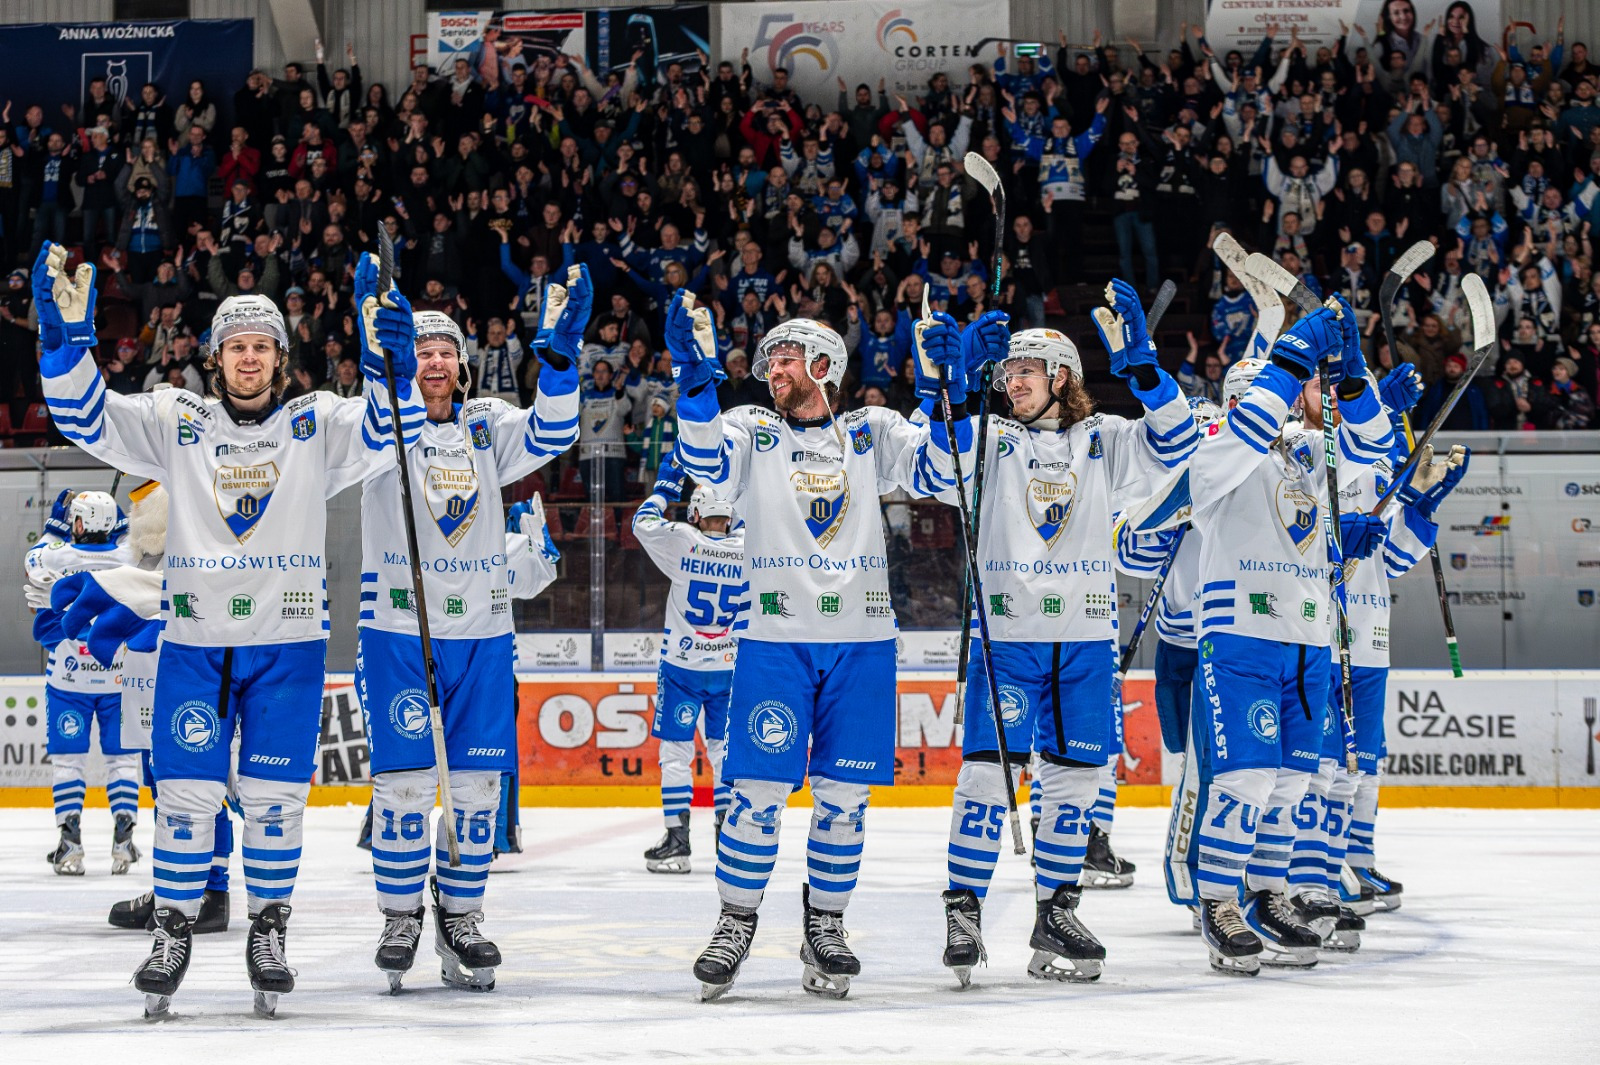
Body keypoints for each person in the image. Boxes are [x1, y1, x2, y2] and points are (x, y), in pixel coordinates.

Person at [34, 240, 420, 1018]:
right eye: (236, 347)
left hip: (289, 643)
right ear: (215, 359)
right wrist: (65, 345)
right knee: (184, 796)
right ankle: (173, 929)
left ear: (282, 358)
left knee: (275, 798)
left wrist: (393, 367)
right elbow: (85, 416)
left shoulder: (317, 423)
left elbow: (393, 433)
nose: (249, 359)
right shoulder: (178, 418)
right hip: (196, 643)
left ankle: (268, 929)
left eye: (262, 347)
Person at [670, 291, 971, 1000]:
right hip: (776, 639)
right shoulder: (751, 428)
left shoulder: (869, 429)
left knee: (844, 799)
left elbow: (940, 474)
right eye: (769, 355)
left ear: (825, 364)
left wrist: (943, 390)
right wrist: (694, 383)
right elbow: (705, 461)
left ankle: (826, 924)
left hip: (864, 642)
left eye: (786, 354)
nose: (772, 364)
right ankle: (735, 920)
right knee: (755, 794)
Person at [937, 286, 1200, 987]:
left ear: (1061, 377)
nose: (1011, 382)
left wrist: (1147, 372)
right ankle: (964, 907)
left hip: (1084, 639)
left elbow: (1178, 445)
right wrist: (959, 389)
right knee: (987, 776)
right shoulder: (993, 439)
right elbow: (940, 465)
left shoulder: (1104, 438)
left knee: (1077, 782)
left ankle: (1056, 908)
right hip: (1009, 634)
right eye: (1006, 373)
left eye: (1025, 371)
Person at [359, 272, 582, 993]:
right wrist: (375, 357)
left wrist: (559, 361)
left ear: (463, 363)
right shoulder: (380, 422)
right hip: (397, 629)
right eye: (419, 350)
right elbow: (366, 411)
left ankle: (462, 915)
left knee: (479, 789)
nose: (434, 361)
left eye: (445, 351)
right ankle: (400, 917)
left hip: (484, 631)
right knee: (403, 786)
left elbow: (554, 429)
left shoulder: (486, 424)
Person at [1185, 298, 1394, 977]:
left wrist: (1356, 381)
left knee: (1290, 782)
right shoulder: (1219, 446)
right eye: (1280, 390)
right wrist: (1287, 365)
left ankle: (1270, 892)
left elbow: (1372, 448)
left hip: (1307, 636)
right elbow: (1242, 443)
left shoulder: (1308, 453)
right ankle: (1218, 899)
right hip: (1241, 632)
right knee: (1244, 778)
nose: (1292, 405)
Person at [51, 480, 236, 936]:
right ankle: (179, 887)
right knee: (167, 783)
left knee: (197, 782)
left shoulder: (197, 543)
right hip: (151, 683)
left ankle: (208, 891)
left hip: (193, 677)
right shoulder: (145, 554)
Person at [632, 452, 746, 873]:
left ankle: (678, 842)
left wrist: (665, 487)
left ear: (697, 512)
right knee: (723, 751)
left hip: (682, 668)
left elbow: (641, 525)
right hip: (730, 668)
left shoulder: (683, 538)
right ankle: (729, 838)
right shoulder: (748, 545)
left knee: (676, 754)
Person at [23, 489, 139, 876]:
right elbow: (136, 544)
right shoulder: (128, 558)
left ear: (79, 521)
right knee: (122, 759)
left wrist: (54, 525)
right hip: (117, 677)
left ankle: (69, 844)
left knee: (68, 762)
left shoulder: (58, 556)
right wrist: (121, 524)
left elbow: (35, 560)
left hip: (68, 678)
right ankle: (124, 841)